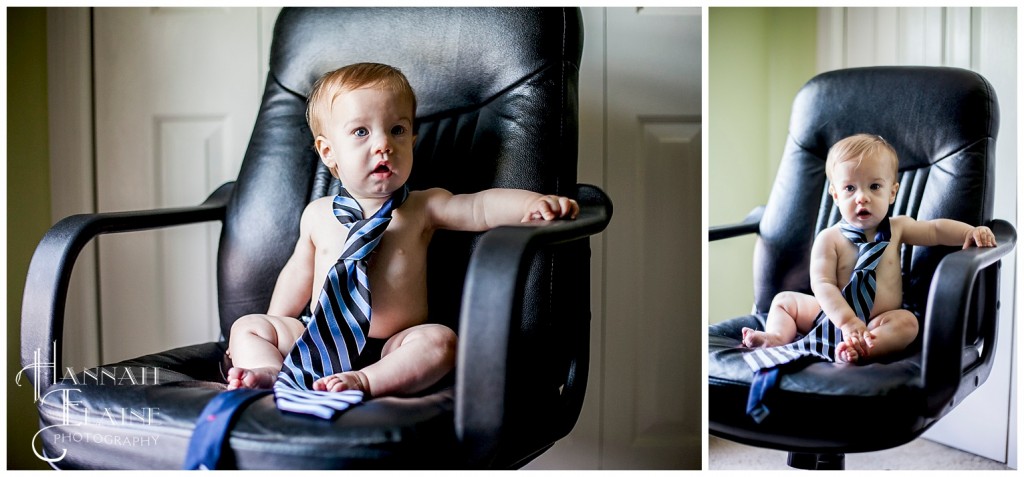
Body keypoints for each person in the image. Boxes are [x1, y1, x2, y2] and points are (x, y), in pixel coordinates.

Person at [224, 63, 579, 396]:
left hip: (394, 343)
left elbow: (480, 207)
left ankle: (365, 381)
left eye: (397, 130)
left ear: (412, 139)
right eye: (361, 132)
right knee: (248, 327)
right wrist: (276, 321)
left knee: (440, 343)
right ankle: (269, 372)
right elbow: (297, 274)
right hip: (320, 334)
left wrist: (533, 205)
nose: (384, 144)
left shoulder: (422, 207)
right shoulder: (317, 215)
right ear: (328, 152)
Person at [741, 134, 996, 363]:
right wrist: (846, 321)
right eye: (850, 188)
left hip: (878, 321)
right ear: (836, 195)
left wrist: (969, 232)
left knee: (908, 323)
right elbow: (823, 285)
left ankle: (863, 348)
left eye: (874, 186)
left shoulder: (898, 229)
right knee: (783, 301)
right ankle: (775, 337)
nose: (861, 197)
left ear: (892, 193)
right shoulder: (829, 239)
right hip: (829, 314)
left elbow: (935, 230)